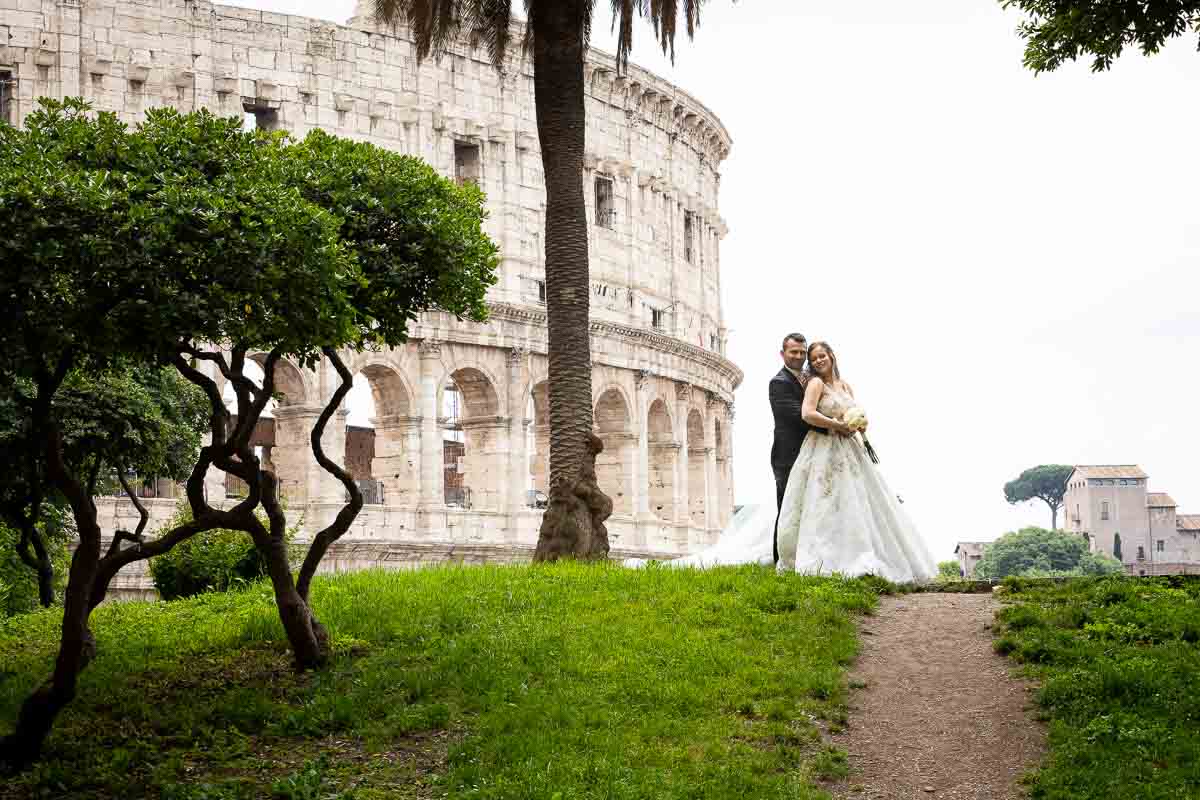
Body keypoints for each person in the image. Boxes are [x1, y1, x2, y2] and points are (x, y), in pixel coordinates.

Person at [774, 341, 936, 582]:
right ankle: (825, 557)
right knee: (826, 500)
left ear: (831, 356)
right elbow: (807, 413)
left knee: (857, 500)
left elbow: (852, 411)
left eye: (822, 356)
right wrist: (837, 425)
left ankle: (861, 551)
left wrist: (860, 426)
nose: (818, 361)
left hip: (849, 448)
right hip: (823, 447)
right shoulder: (815, 384)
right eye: (814, 358)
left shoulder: (845, 386)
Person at [768, 332, 830, 563]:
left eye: (803, 352)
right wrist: (834, 426)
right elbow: (797, 415)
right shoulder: (779, 382)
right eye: (794, 352)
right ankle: (780, 560)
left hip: (814, 451)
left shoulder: (809, 377)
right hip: (788, 455)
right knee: (787, 508)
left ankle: (807, 557)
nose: (799, 356)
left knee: (810, 505)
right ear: (782, 354)